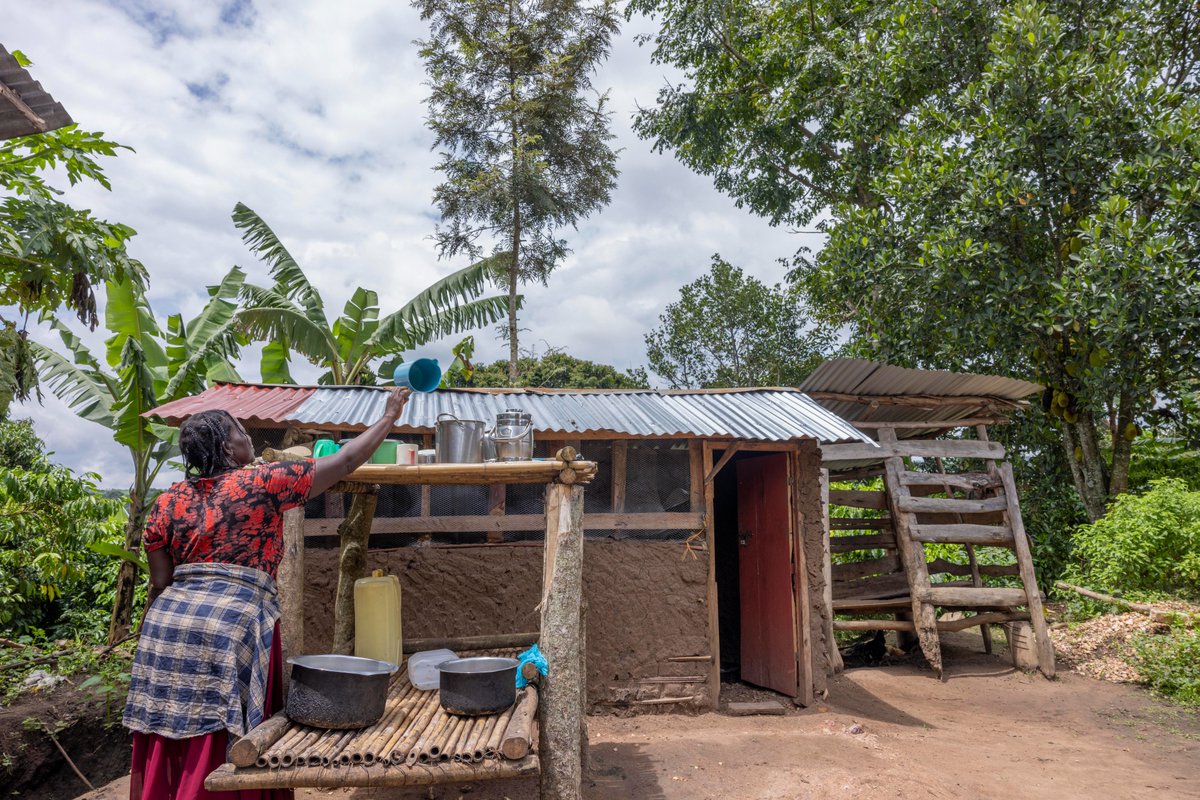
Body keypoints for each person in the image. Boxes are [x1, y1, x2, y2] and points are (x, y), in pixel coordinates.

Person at [122, 387, 411, 800]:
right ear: (228, 447)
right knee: (222, 732)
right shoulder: (262, 482)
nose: (249, 438)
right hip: (230, 626)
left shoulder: (167, 501)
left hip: (165, 629)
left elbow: (161, 580)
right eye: (241, 432)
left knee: (169, 725)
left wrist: (149, 632)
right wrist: (388, 417)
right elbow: (346, 461)